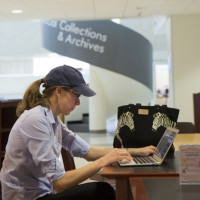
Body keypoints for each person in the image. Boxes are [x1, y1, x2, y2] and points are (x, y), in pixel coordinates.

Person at [0, 65, 156, 200]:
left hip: (44, 193)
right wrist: (104, 160)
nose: (78, 102)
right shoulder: (36, 120)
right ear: (59, 91)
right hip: (30, 198)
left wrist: (134, 152)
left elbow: (88, 152)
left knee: (109, 188)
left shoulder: (52, 119)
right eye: (75, 95)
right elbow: (60, 183)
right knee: (104, 191)